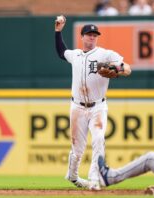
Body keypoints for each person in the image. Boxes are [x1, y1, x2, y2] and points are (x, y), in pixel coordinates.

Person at [55, 16, 131, 190]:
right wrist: (58, 31)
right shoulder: (75, 55)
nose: (92, 37)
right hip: (77, 107)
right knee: (77, 149)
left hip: (98, 106)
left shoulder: (105, 54)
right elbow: (61, 52)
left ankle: (94, 179)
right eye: (89, 34)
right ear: (82, 36)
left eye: (95, 34)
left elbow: (127, 68)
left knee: (98, 139)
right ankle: (73, 176)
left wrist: (116, 69)